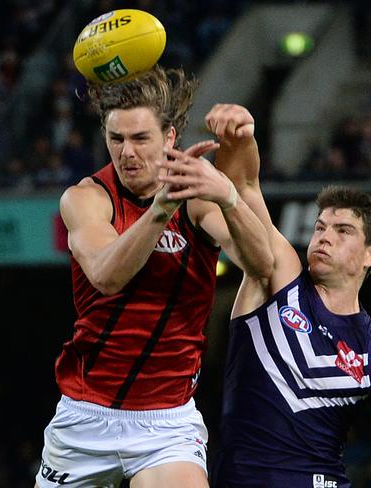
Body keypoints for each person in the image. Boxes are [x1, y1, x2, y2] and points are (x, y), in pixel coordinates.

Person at [35, 68, 273, 488]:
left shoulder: (198, 198)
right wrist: (160, 211)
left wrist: (227, 194)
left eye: (140, 139)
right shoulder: (85, 198)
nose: (127, 152)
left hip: (166, 423)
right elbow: (107, 277)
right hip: (85, 414)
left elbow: (262, 264)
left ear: (169, 138)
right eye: (116, 139)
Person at [199, 105, 371, 487]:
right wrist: (241, 136)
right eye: (321, 226)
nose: (324, 235)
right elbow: (243, 188)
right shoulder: (278, 276)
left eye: (343, 231)